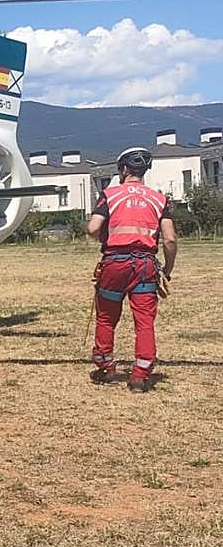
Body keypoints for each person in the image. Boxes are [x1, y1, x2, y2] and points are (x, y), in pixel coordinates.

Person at [86, 147, 177, 393]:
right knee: (144, 322)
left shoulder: (110, 195)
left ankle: (106, 366)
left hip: (115, 263)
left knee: (106, 316)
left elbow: (94, 228)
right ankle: (140, 375)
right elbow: (169, 239)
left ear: (124, 170)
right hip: (145, 265)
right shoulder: (159, 199)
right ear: (144, 170)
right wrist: (167, 270)